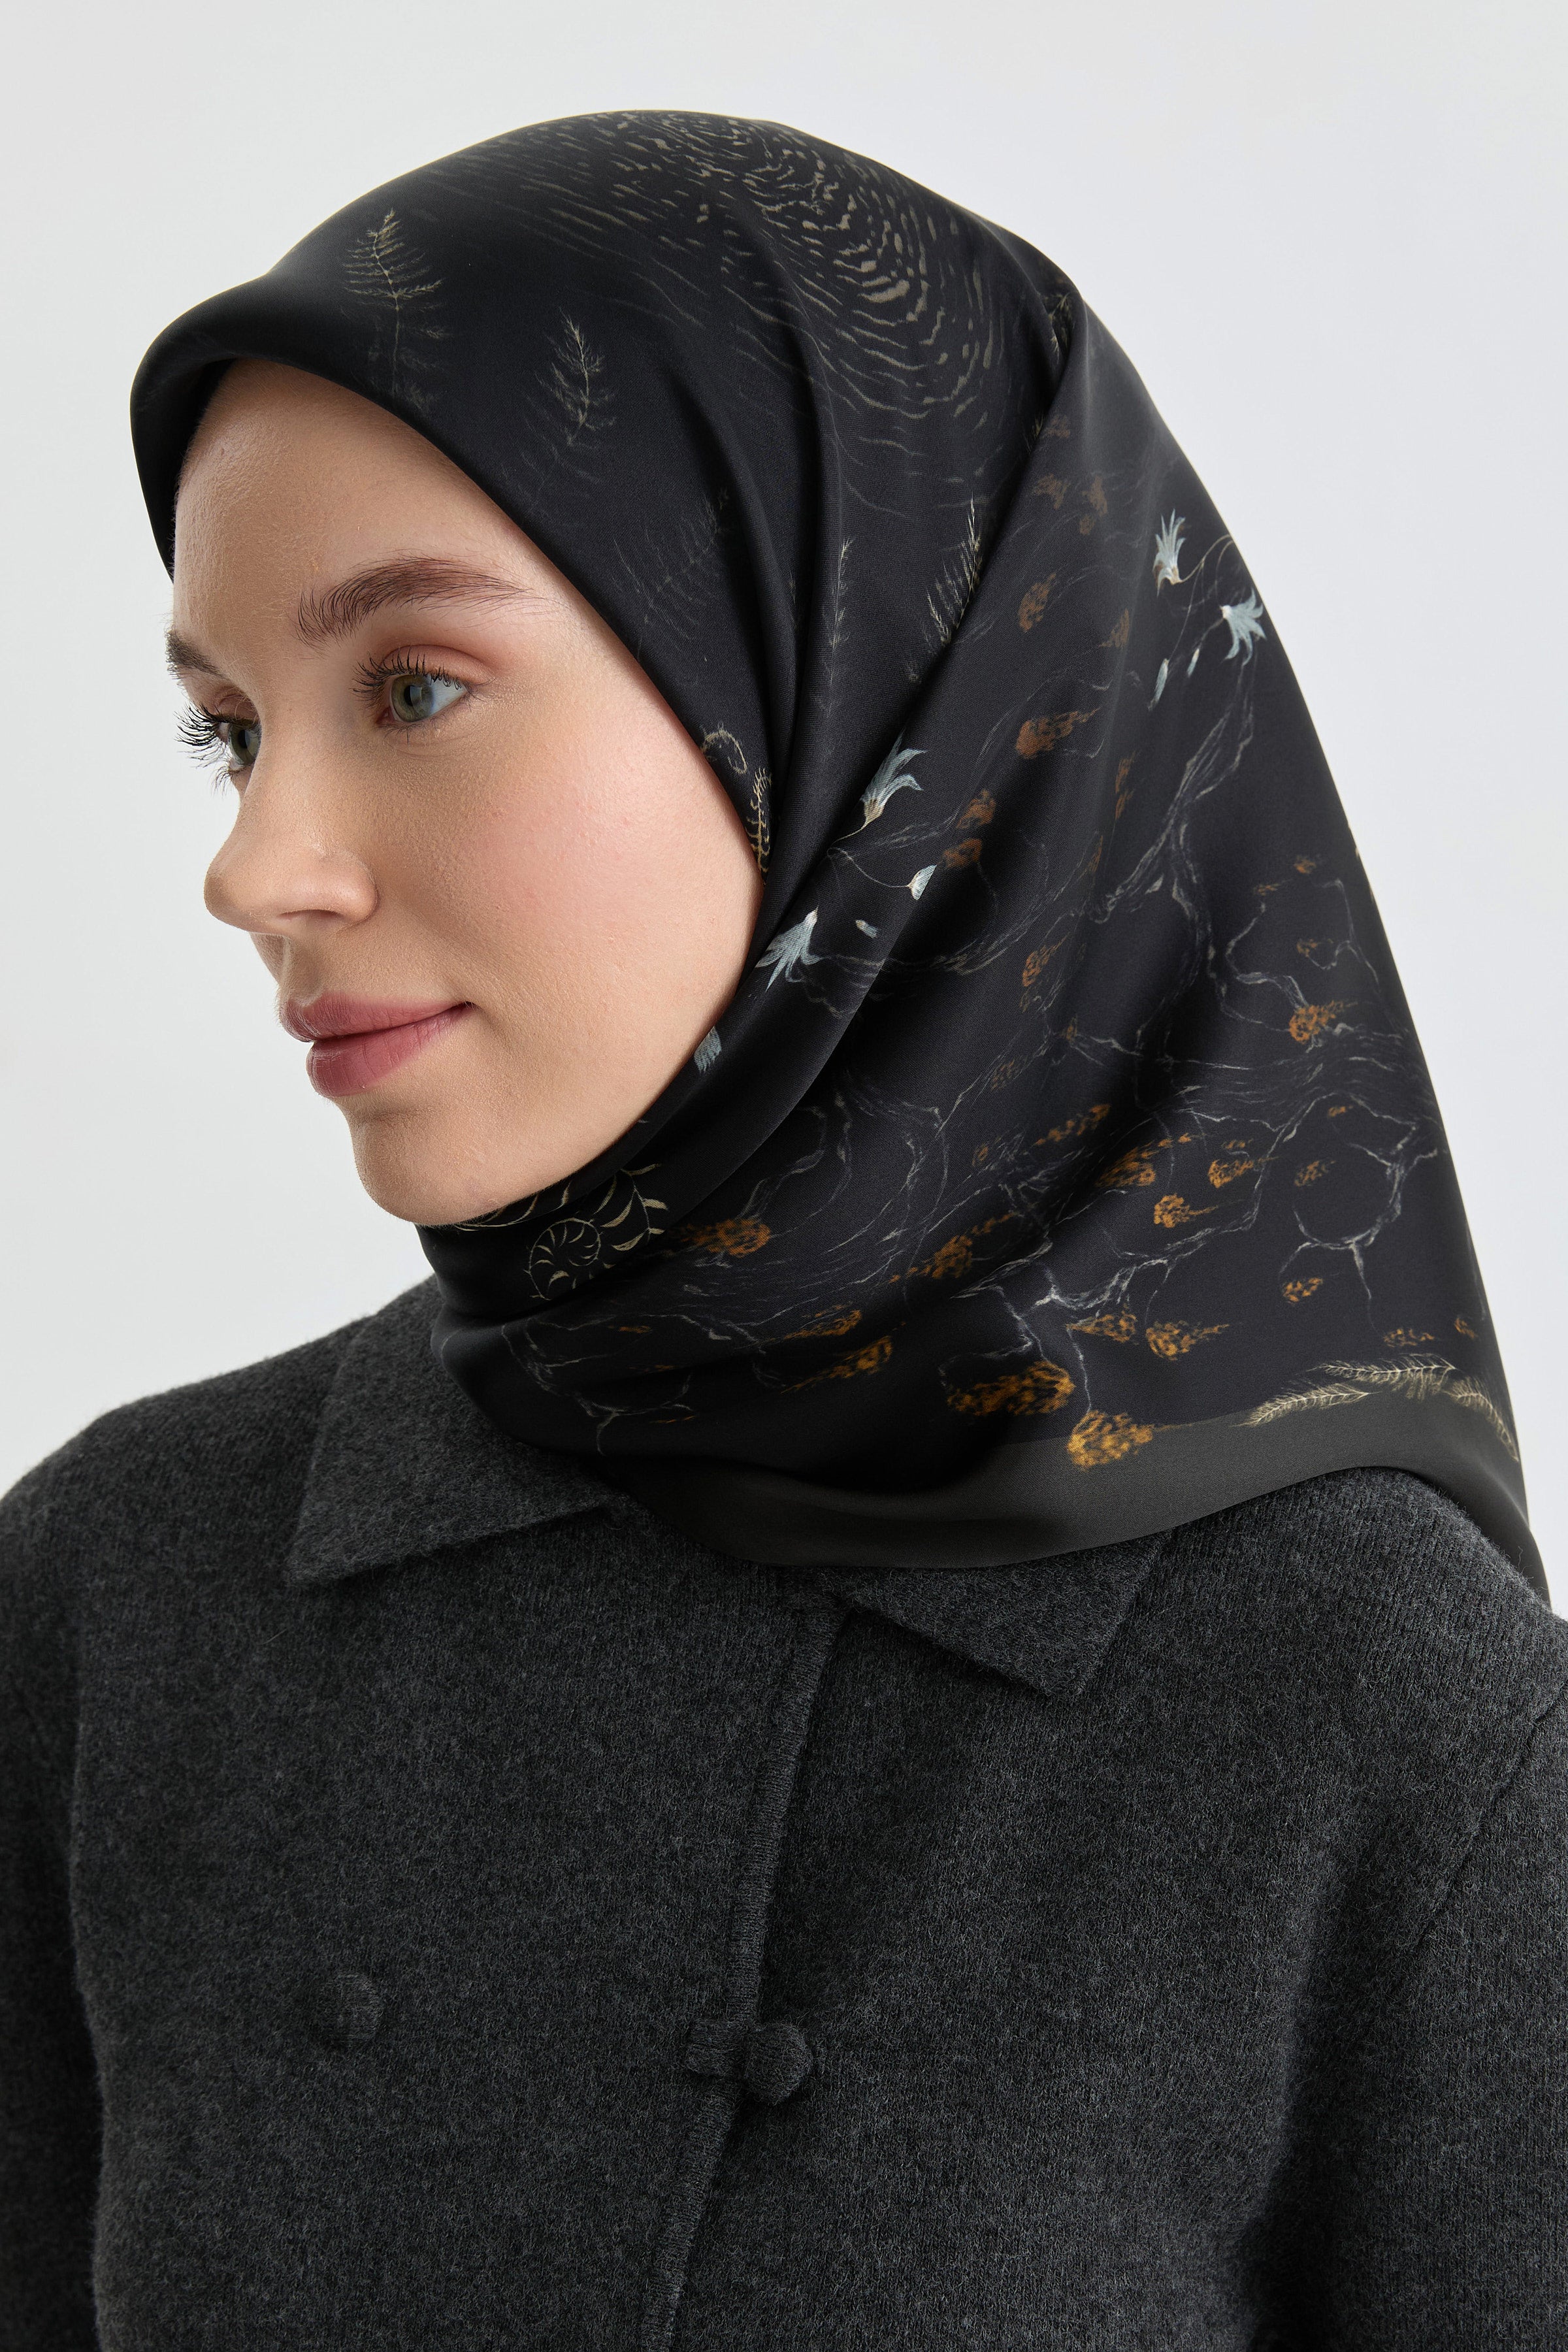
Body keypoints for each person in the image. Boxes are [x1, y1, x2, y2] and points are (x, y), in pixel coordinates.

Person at [3, 111, 1563, 2349]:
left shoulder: (1378, 1713)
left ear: (872, 702)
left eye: (414, 688)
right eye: (227, 734)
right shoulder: (116, 1591)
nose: (256, 868)